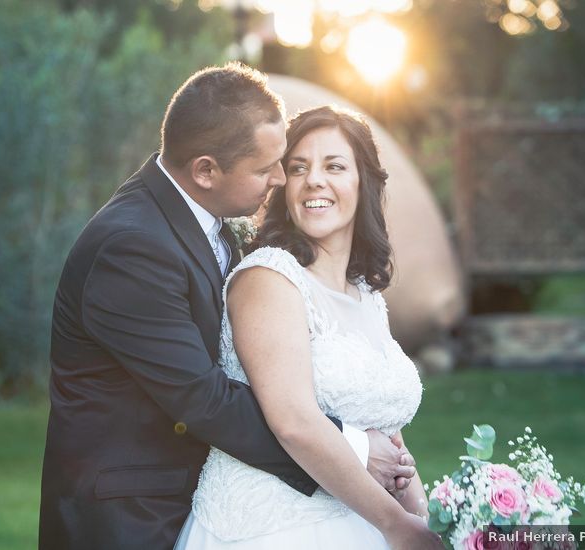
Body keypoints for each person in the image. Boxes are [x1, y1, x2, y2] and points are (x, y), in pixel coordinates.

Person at [38, 64, 416, 550]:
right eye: (267, 169)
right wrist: (353, 447)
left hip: (209, 495)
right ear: (205, 171)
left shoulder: (211, 226)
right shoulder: (130, 247)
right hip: (134, 516)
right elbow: (203, 398)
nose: (282, 179)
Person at [175, 106, 442, 549]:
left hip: (363, 519)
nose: (314, 180)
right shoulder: (268, 277)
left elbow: (383, 425)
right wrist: (396, 525)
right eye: (297, 168)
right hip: (276, 528)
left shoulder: (366, 296)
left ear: (364, 183)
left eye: (334, 166)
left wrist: (427, 514)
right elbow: (293, 421)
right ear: (283, 186)